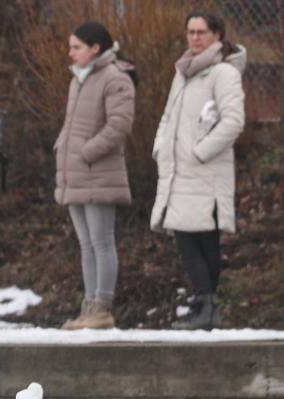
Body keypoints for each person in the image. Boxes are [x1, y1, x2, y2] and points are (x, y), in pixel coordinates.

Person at [150, 10, 246, 330]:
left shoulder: (223, 74)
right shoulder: (184, 72)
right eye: (190, 31)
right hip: (179, 173)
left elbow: (233, 121)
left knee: (204, 242)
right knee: (186, 240)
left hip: (205, 173)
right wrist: (161, 147)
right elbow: (168, 115)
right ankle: (204, 305)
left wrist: (198, 153)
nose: (194, 38)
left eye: (201, 32)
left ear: (217, 35)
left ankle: (207, 307)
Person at [54, 21, 136, 330]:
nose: (70, 52)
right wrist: (63, 149)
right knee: (86, 244)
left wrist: (86, 152)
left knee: (102, 242)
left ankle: (103, 304)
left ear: (95, 48)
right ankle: (89, 306)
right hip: (75, 174)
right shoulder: (78, 80)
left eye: (76, 47)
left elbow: (119, 125)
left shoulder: (116, 79)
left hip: (99, 174)